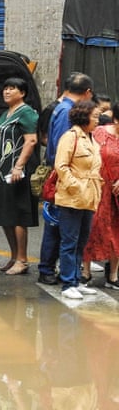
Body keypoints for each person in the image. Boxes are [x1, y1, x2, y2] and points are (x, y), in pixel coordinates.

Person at [38, 72, 94, 285]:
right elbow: (63, 153)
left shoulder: (61, 108)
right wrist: (71, 182)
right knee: (59, 227)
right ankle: (47, 269)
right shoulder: (67, 112)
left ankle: (53, 269)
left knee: (61, 227)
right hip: (65, 179)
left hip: (66, 178)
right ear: (87, 92)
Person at [54, 101, 103, 300]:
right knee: (69, 241)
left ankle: (75, 280)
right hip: (72, 198)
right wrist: (77, 186)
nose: (98, 120)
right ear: (84, 117)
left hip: (90, 197)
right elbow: (61, 166)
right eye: (95, 116)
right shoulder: (70, 137)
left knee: (81, 241)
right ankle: (67, 283)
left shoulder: (91, 138)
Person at [0, 77, 39, 276]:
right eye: (5, 88)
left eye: (12, 88)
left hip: (17, 171)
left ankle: (22, 259)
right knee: (5, 214)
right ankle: (13, 256)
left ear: (23, 93)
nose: (7, 91)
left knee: (18, 214)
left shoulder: (26, 112)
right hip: (4, 170)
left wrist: (19, 166)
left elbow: (31, 141)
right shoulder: (5, 114)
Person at [85, 100, 119, 289]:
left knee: (116, 232)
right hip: (98, 190)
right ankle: (85, 271)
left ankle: (113, 275)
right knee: (91, 229)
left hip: (116, 193)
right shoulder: (99, 132)